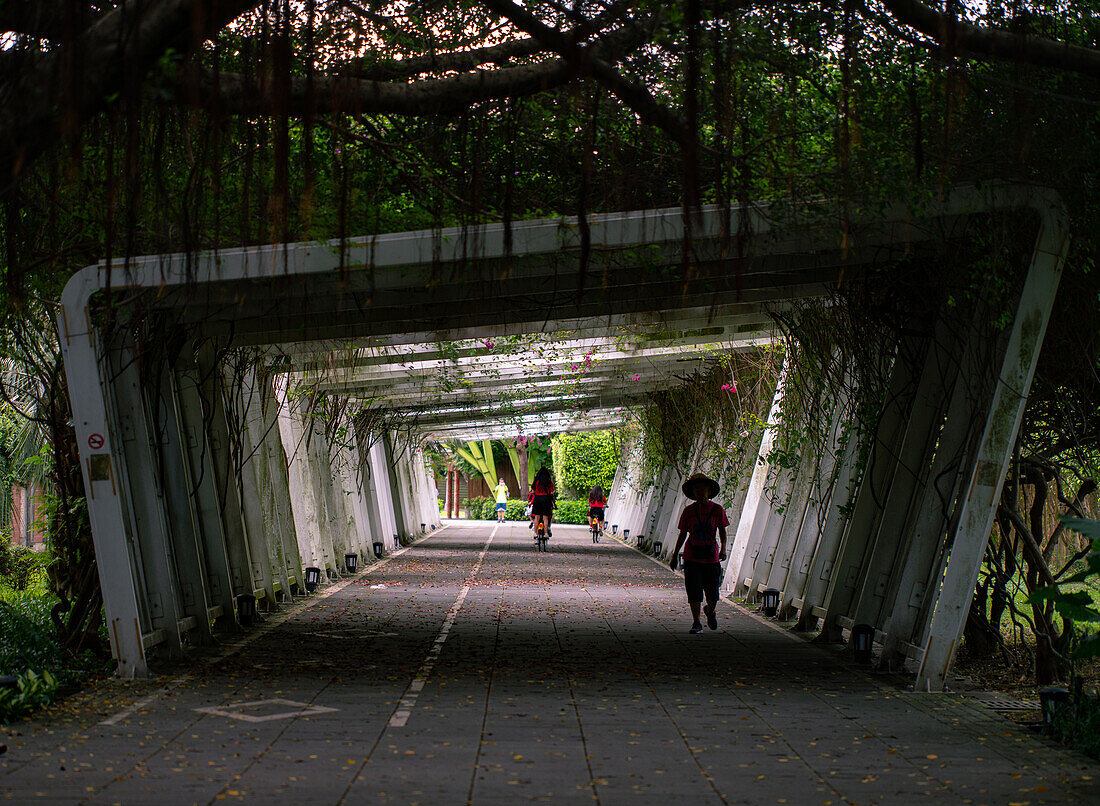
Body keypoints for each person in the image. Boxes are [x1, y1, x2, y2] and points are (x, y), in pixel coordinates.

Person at [670, 472, 729, 634]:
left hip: (711, 558)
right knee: (694, 591)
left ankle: (710, 611)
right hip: (692, 557)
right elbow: (683, 534)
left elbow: (722, 530)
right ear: (693, 492)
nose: (700, 491)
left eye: (703, 488)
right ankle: (696, 622)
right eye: (697, 489)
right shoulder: (688, 512)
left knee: (713, 593)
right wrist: (675, 555)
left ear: (709, 491)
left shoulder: (717, 510)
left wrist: (723, 548)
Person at [530, 467, 556, 538]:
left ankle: (535, 533)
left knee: (537, 517)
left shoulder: (536, 482)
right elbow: (551, 492)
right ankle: (546, 534)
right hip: (546, 499)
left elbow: (533, 491)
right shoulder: (548, 482)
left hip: (537, 499)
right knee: (545, 517)